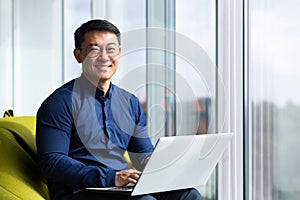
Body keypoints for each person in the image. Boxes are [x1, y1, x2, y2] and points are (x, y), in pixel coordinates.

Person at [36, 19, 202, 200]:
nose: (104, 57)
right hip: (80, 191)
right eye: (94, 49)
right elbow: (52, 162)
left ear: (119, 53)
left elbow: (141, 155)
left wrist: (159, 164)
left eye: (111, 49)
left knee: (189, 195)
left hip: (120, 188)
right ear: (78, 55)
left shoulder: (129, 102)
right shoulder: (60, 103)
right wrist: (110, 177)